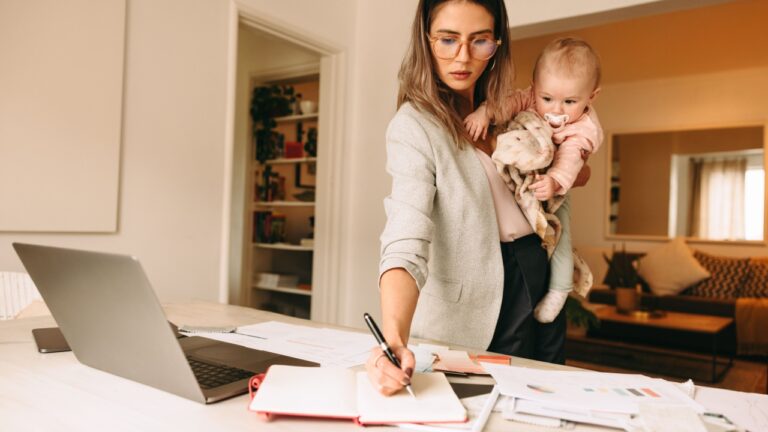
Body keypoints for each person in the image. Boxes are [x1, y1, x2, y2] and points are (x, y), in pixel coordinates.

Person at [366, 0, 586, 397]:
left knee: (546, 397)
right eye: (448, 40)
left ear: (497, 45)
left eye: (480, 41)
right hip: (479, 293)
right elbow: (406, 234)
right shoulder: (415, 126)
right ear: (426, 40)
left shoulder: (508, 113)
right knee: (486, 404)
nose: (463, 57)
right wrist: (394, 337)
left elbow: (567, 164)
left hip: (536, 268)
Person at [465, 37, 603, 202]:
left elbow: (570, 158)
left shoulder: (583, 130)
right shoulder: (531, 97)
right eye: (547, 99)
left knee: (559, 216)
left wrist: (554, 180)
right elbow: (509, 102)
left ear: (591, 97)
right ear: (534, 87)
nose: (556, 109)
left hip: (553, 182)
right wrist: (485, 112)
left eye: (569, 101)